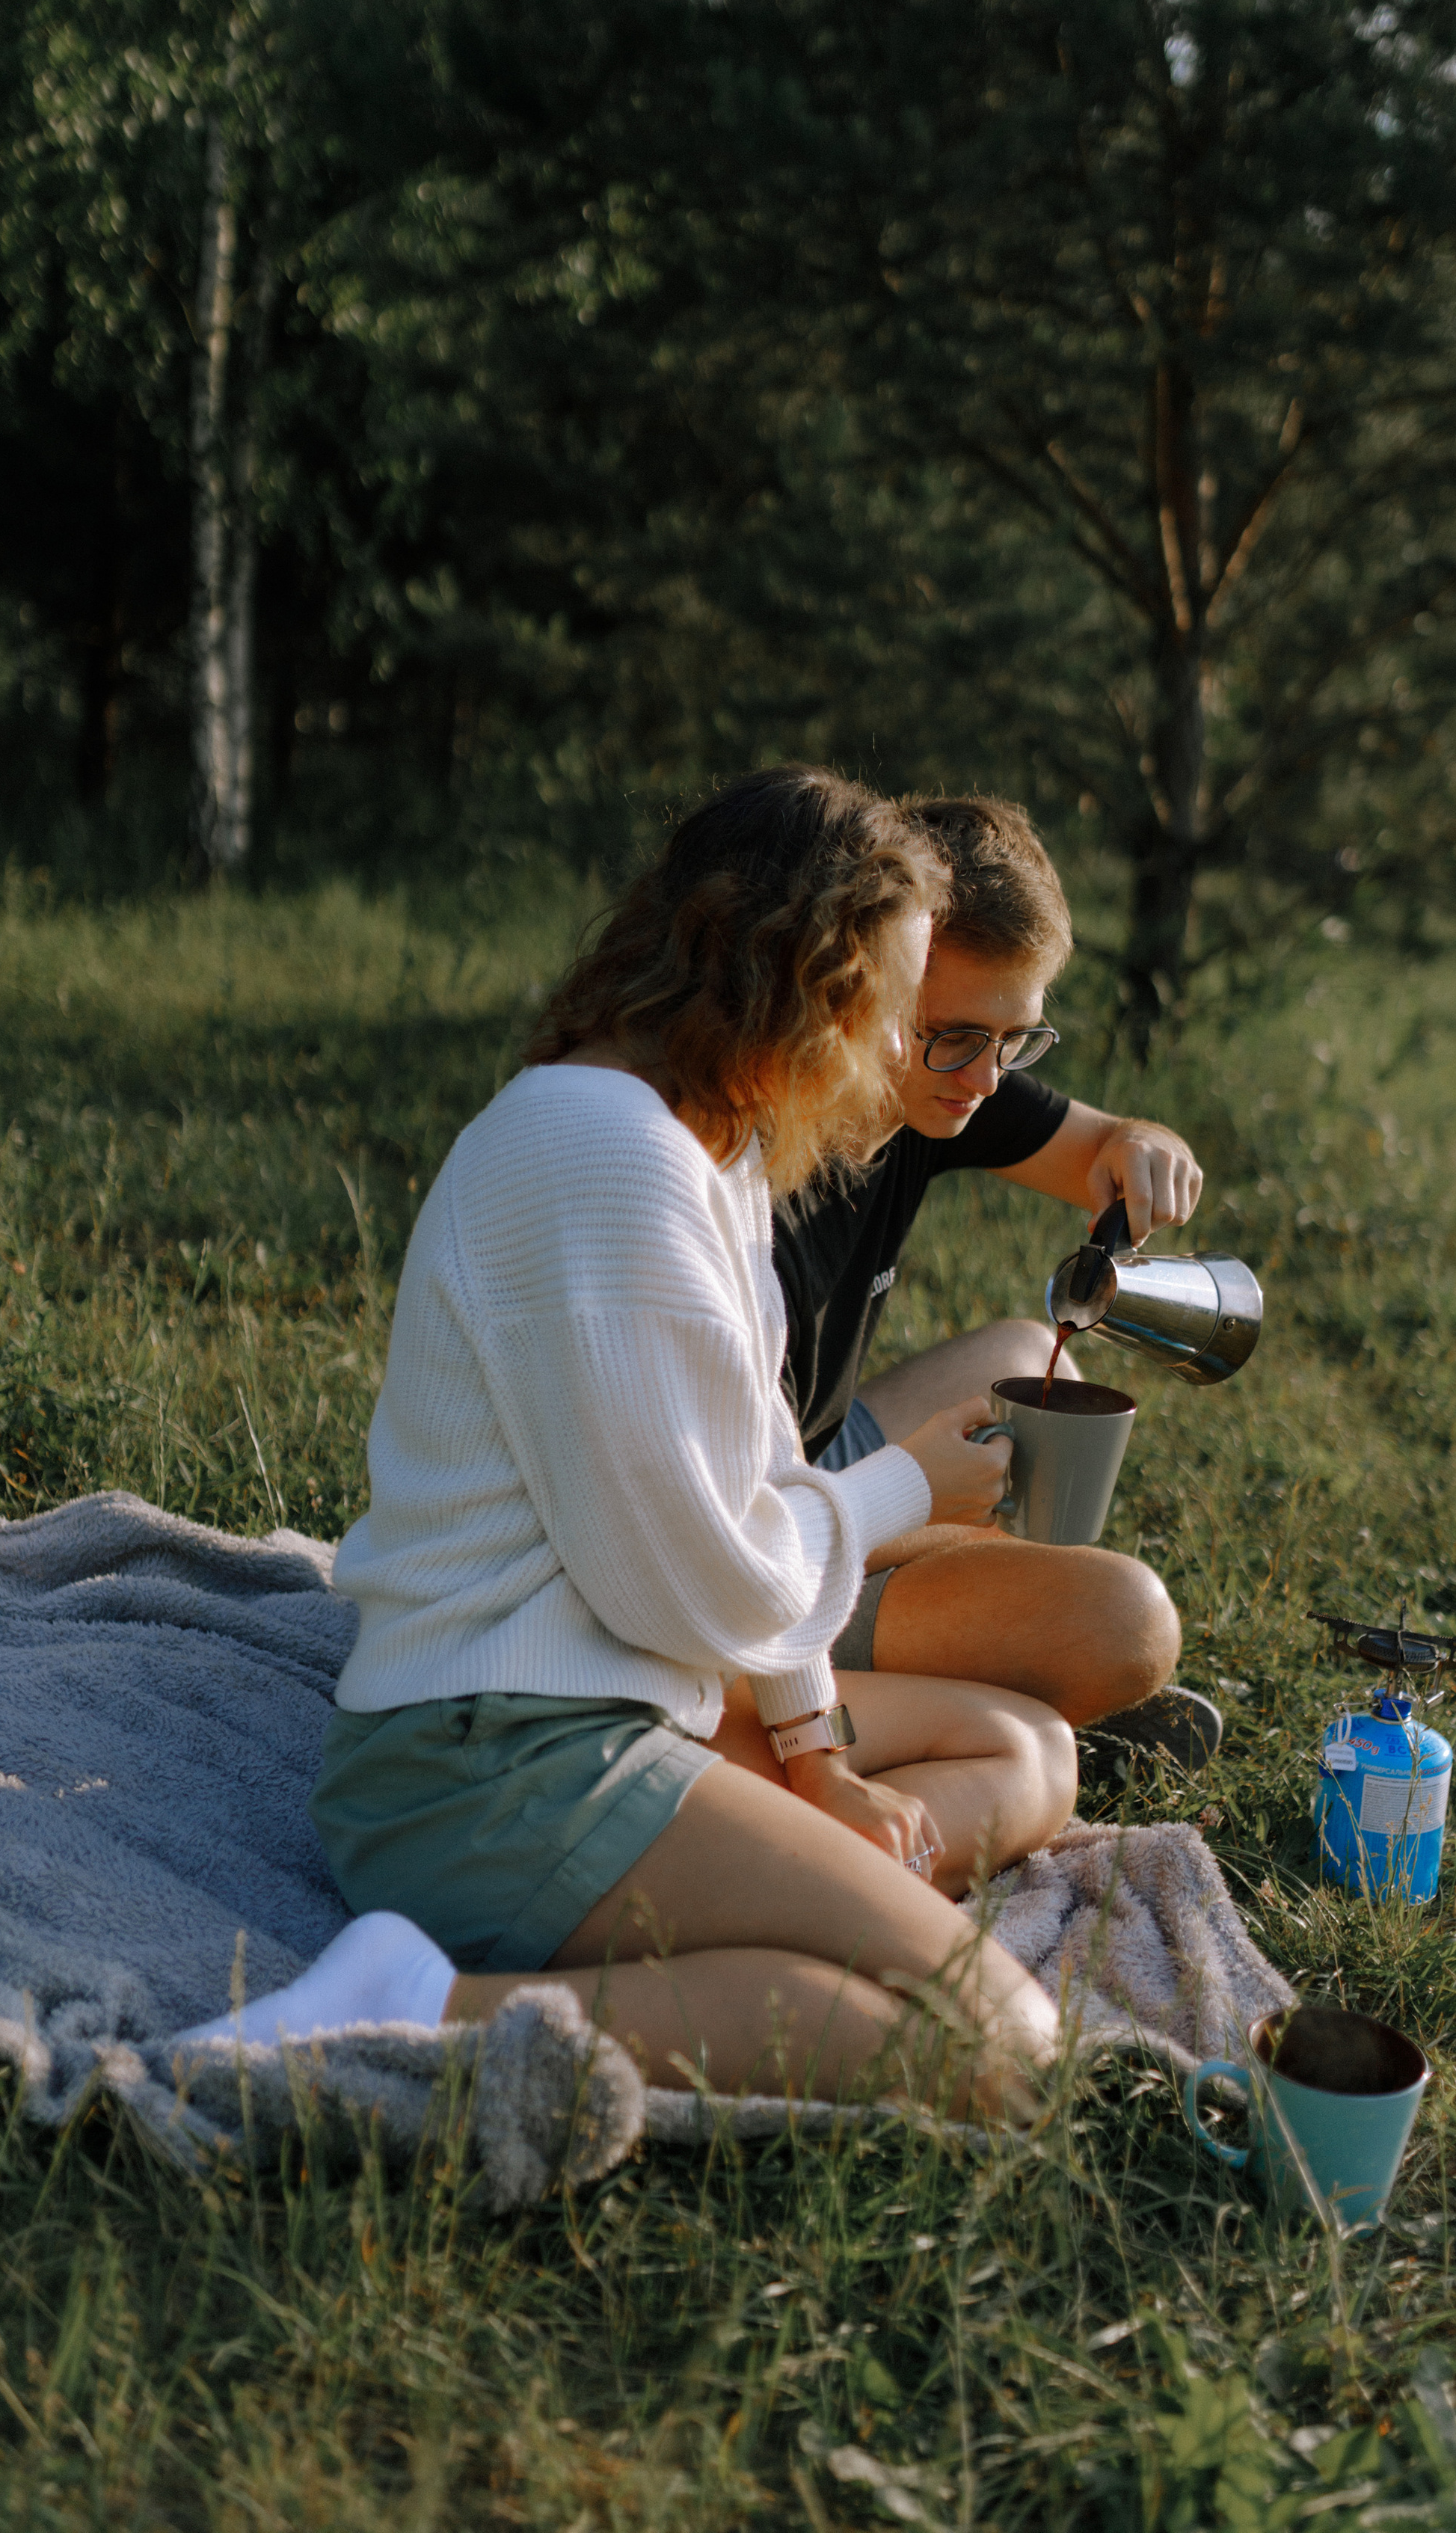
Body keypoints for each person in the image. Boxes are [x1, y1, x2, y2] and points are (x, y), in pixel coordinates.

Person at [177, 770, 1068, 2119]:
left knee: (1013, 1808)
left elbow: (751, 1479)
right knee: (999, 2044)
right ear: (799, 982)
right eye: (890, 1005)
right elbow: (702, 1587)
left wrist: (814, 1754)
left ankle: (736, 1932)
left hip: (585, 1726)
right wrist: (904, 1488)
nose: (897, 1047)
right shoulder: (607, 1158)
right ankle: (410, 2003)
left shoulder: (700, 1150)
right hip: (488, 1769)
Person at [764, 796, 1221, 1768]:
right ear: (867, 988)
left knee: (1024, 1355)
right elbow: (737, 1536)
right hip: (764, 1548)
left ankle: (989, 1665)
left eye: (1016, 1039)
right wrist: (925, 1496)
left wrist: (1143, 1143)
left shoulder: (937, 1080)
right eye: (956, 1036)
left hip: (816, 1457)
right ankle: (936, 1704)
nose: (984, 1080)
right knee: (1128, 1619)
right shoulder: (757, 1181)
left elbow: (1099, 1151)